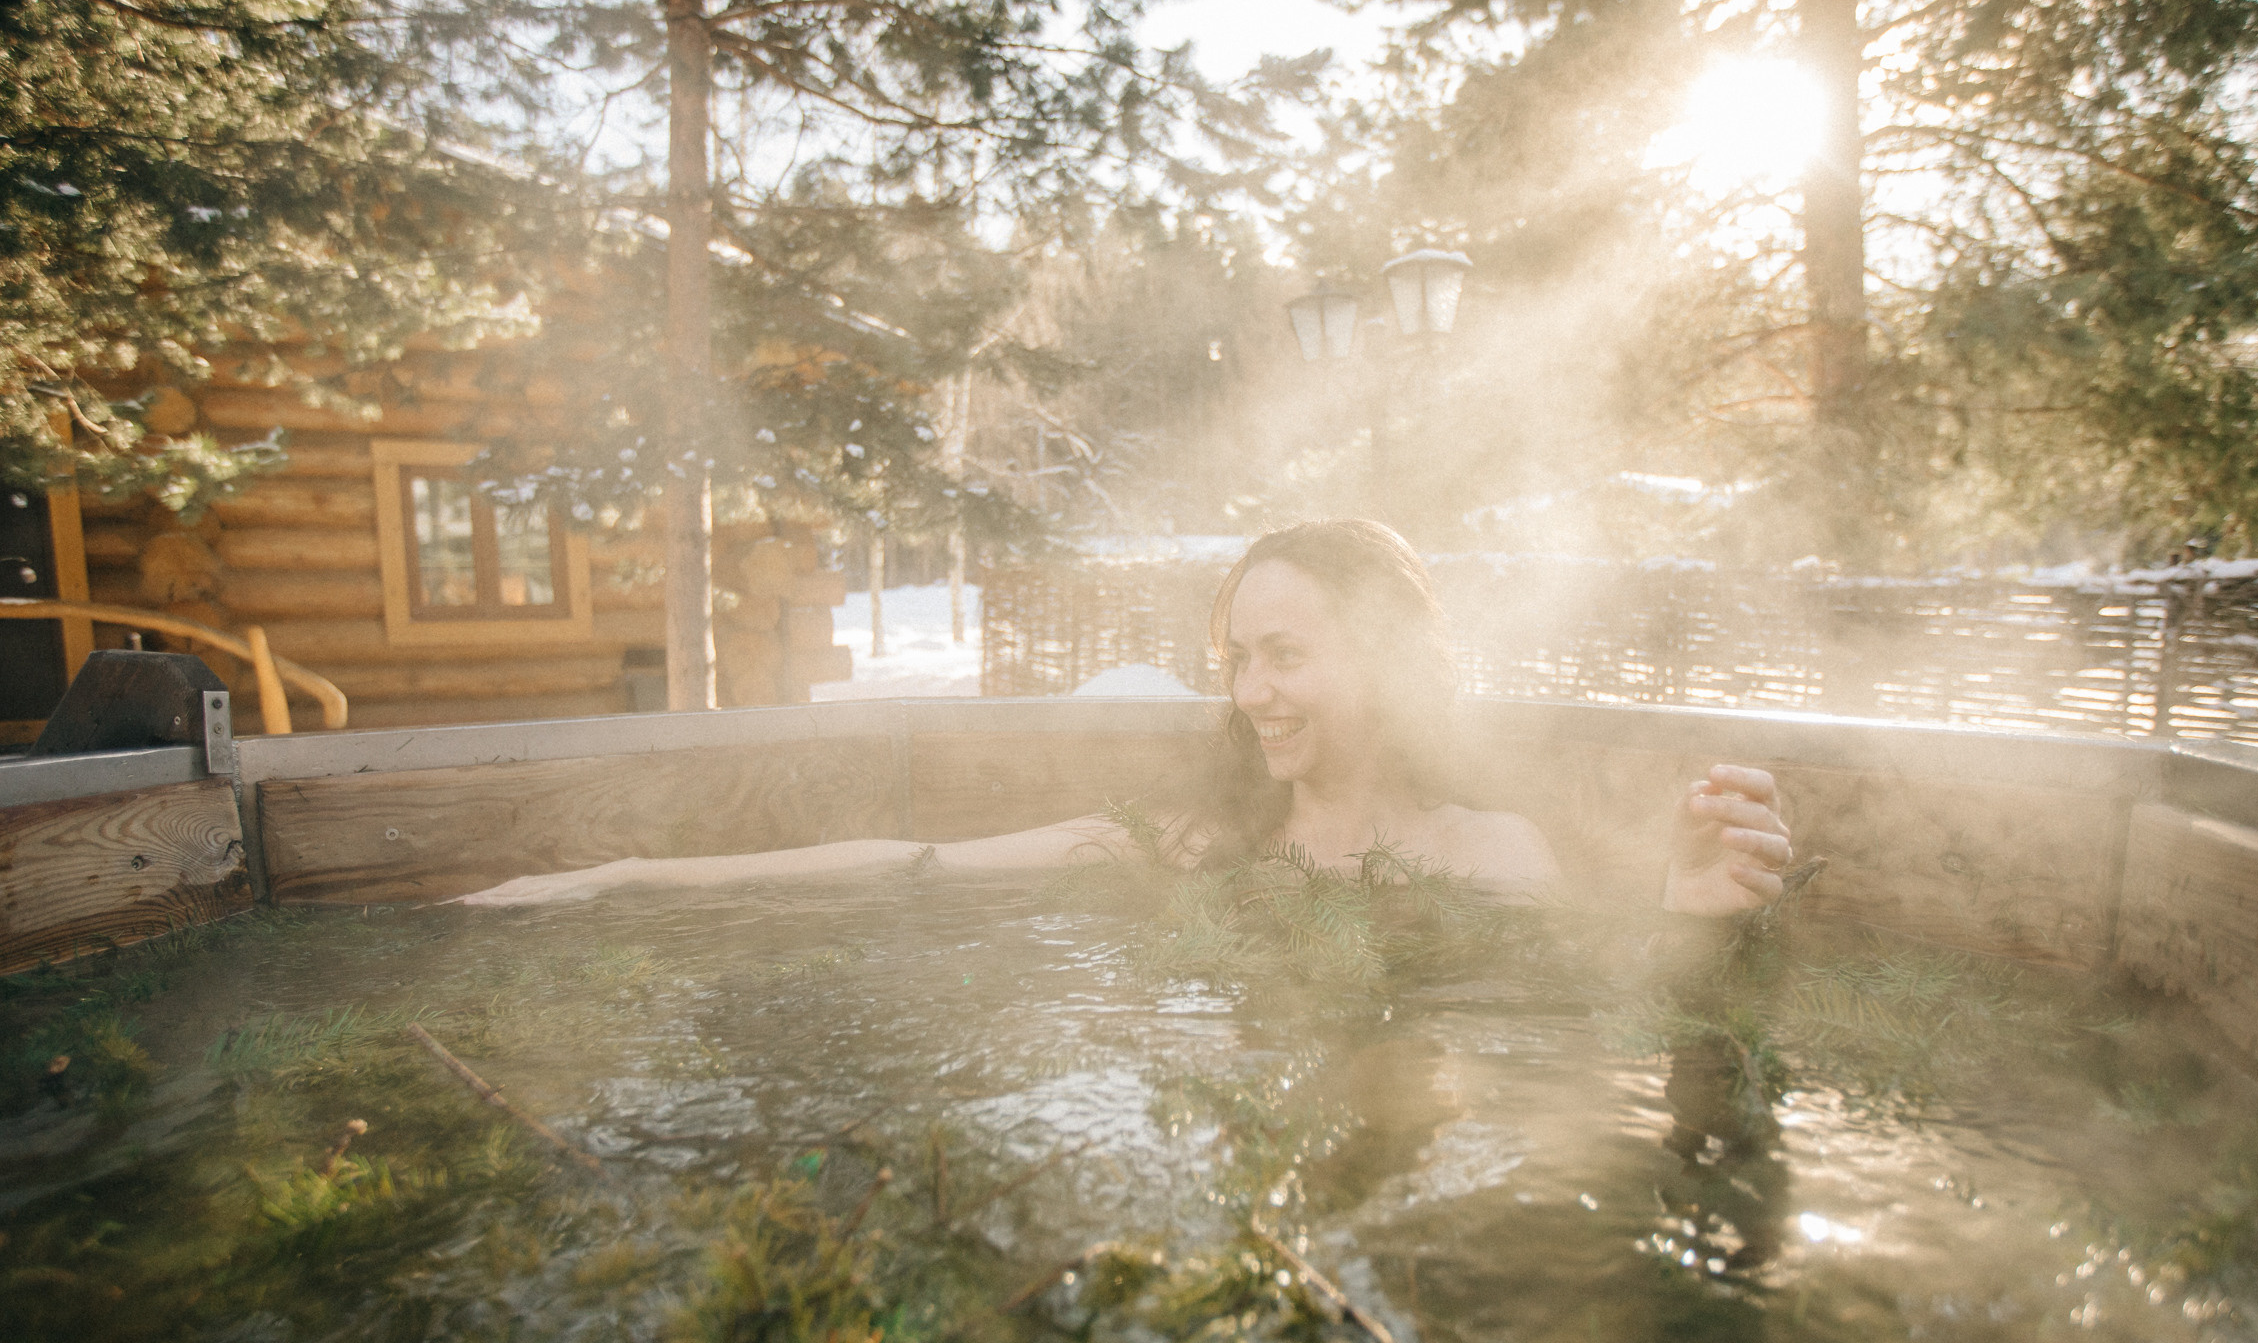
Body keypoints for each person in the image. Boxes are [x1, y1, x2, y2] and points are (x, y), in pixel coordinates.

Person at [459, 520, 1792, 910]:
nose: (1251, 692)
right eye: (1236, 659)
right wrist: (631, 875)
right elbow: (920, 867)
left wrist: (1692, 923)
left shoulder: (1493, 856)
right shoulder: (1201, 851)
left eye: (1285, 654)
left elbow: (1602, 1019)